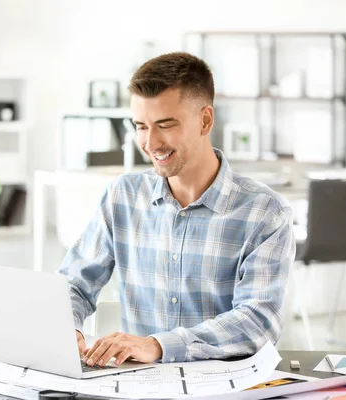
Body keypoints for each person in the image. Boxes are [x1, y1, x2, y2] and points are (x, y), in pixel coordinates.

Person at [57, 52, 295, 367]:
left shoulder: (265, 213)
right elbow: (74, 281)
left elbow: (257, 322)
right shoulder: (122, 196)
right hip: (136, 385)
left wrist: (159, 345)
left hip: (222, 389)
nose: (151, 142)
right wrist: (66, 325)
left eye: (165, 125)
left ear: (205, 120)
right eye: (141, 126)